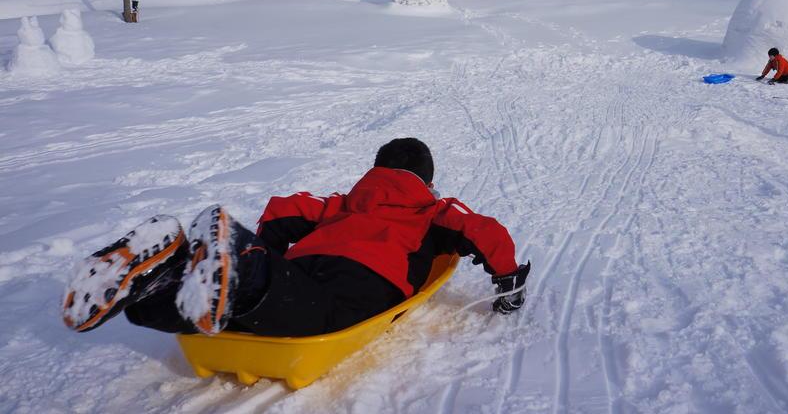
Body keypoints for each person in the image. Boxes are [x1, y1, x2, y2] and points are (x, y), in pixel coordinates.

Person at [62, 138, 530, 337]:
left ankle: (157, 281)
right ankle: (240, 265)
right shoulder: (431, 210)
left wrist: (272, 249)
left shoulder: (344, 203)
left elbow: (287, 208)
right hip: (365, 279)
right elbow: (483, 231)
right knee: (313, 313)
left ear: (376, 170)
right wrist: (509, 282)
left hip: (303, 263)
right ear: (425, 181)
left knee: (225, 313)